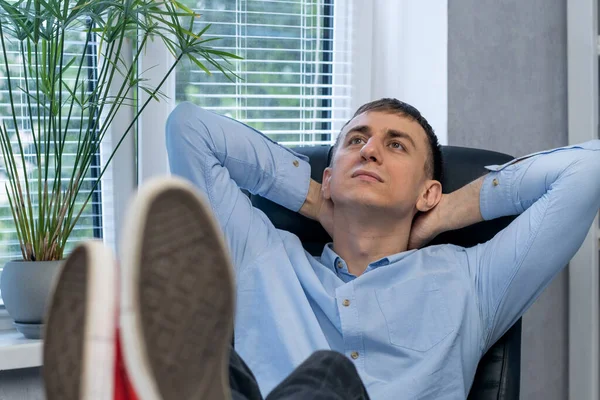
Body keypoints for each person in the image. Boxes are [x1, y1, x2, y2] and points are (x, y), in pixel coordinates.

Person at [42, 98, 600, 400]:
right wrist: (314, 198)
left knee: (328, 375)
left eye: (394, 144)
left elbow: (587, 170)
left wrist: (445, 213)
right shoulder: (266, 256)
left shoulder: (473, 281)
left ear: (428, 189)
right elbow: (188, 127)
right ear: (329, 176)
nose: (370, 150)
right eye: (355, 140)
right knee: (226, 369)